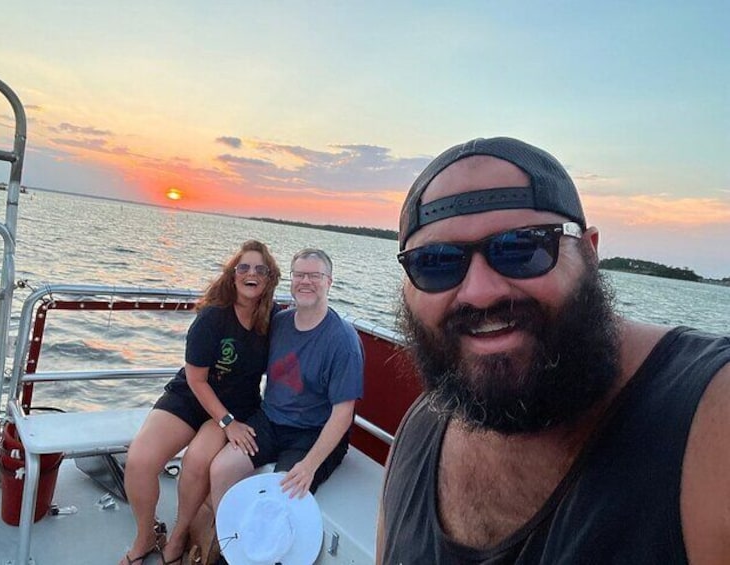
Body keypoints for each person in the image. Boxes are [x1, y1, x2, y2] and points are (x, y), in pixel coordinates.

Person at [377, 136, 730, 563]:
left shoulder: (710, 414)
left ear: (589, 252)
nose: (480, 292)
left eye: (521, 248)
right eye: (435, 263)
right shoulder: (419, 427)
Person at [158, 248, 365, 562]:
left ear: (329, 282)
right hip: (269, 421)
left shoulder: (342, 340)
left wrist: (309, 465)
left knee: (282, 496)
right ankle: (226, 547)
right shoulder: (278, 323)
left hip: (312, 434)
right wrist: (227, 418)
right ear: (291, 280)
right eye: (299, 274)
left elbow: (343, 413)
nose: (306, 281)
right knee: (222, 467)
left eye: (315, 276)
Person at [119, 240, 281, 565]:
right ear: (233, 275)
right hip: (193, 397)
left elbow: (304, 336)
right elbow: (196, 380)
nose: (251, 274)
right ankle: (145, 536)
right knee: (139, 460)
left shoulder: (273, 319)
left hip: (237, 406)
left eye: (260, 269)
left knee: (197, 461)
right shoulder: (213, 318)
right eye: (244, 267)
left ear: (269, 278)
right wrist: (227, 423)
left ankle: (178, 536)